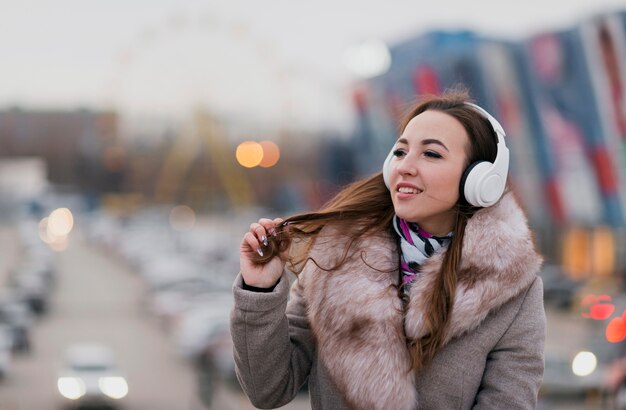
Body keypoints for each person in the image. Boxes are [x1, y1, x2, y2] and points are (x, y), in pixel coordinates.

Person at [230, 90, 546, 409]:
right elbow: (268, 390)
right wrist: (260, 289)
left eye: (431, 154)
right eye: (400, 152)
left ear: (479, 179)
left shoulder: (514, 290)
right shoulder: (334, 257)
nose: (405, 166)